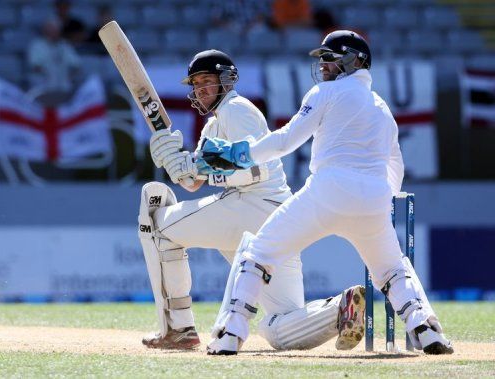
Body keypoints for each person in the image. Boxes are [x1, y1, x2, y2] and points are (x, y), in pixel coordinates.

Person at [199, 31, 454, 356]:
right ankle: (426, 329)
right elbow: (396, 167)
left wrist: (231, 155)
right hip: (374, 198)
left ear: (357, 60)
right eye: (323, 60)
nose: (325, 65)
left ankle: (229, 334)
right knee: (392, 270)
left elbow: (284, 142)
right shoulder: (381, 107)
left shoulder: (324, 92)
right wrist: (378, 209)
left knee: (258, 253)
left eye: (332, 58)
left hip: (328, 191)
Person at [138, 49, 366, 352]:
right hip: (280, 223)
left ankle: (178, 327)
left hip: (253, 206)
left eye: (207, 80)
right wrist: (175, 162)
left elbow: (253, 173)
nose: (200, 89)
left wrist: (197, 167)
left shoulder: (237, 109)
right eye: (195, 83)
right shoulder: (212, 126)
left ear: (226, 80)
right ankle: (341, 308)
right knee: (279, 328)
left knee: (160, 228)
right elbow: (193, 183)